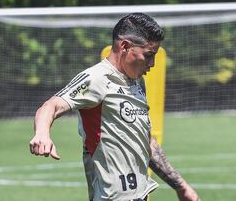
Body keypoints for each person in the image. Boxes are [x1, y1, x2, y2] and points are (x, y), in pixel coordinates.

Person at [29, 13, 200, 201]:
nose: (152, 64)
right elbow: (51, 105)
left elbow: (146, 141)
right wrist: (42, 134)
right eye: (148, 55)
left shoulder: (136, 83)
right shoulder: (96, 78)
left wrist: (181, 186)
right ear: (125, 46)